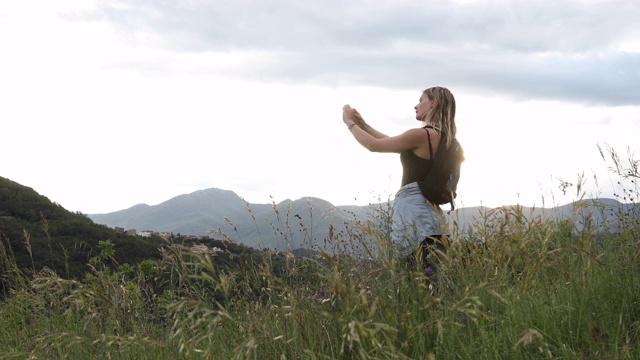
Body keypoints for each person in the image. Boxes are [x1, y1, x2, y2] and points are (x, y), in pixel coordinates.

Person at [341, 86, 457, 270]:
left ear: (433, 103)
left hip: (414, 217)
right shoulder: (445, 139)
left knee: (413, 279)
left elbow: (374, 145)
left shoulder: (421, 134)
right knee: (433, 283)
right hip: (432, 219)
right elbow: (392, 142)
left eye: (421, 100)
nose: (416, 105)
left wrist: (349, 123)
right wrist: (364, 125)